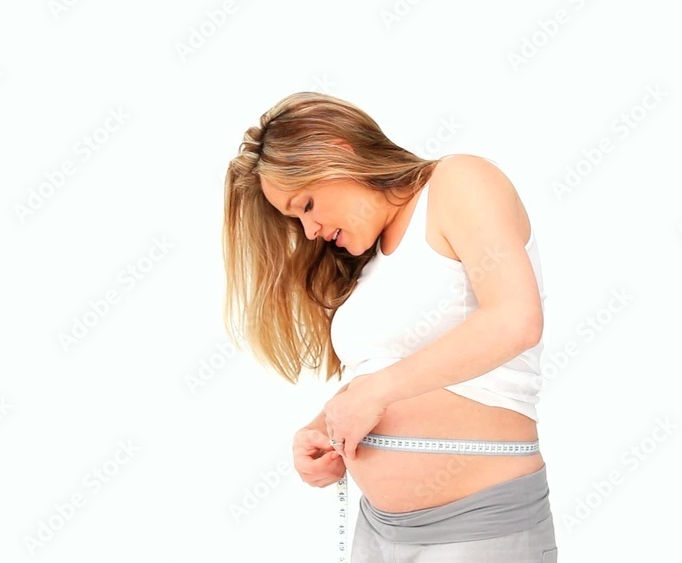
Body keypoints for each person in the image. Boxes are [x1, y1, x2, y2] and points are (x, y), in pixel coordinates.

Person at [222, 91, 558, 562]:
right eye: (296, 219)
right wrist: (323, 428)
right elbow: (386, 371)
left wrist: (378, 393)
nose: (310, 230)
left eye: (307, 204)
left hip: (480, 526)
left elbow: (515, 320)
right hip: (377, 533)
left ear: (338, 151)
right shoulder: (368, 262)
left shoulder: (458, 182)